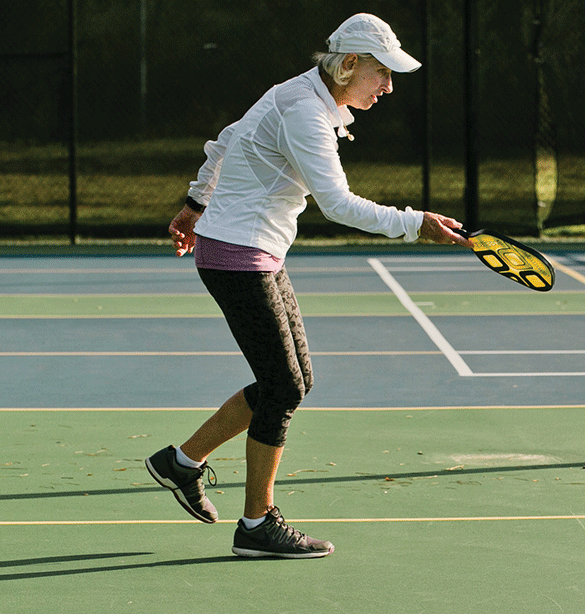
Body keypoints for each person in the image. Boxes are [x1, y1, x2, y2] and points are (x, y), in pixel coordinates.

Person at [144, 13, 470, 559]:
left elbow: (227, 140)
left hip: (252, 251)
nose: (388, 86)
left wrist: (196, 202)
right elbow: (339, 204)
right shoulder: (305, 114)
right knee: (284, 387)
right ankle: (256, 526)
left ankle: (181, 462)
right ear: (347, 65)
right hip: (236, 256)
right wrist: (416, 223)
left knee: (293, 380)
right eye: (382, 73)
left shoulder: (301, 94)